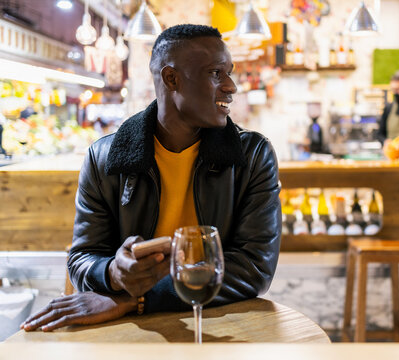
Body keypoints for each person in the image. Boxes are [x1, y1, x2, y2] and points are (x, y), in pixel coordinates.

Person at [21, 24, 281, 332]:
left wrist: (137, 299)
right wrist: (113, 273)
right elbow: (82, 258)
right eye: (215, 73)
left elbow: (254, 267)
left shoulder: (252, 156)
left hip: (219, 326)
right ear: (171, 79)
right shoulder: (103, 158)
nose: (231, 86)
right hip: (127, 333)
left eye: (229, 72)